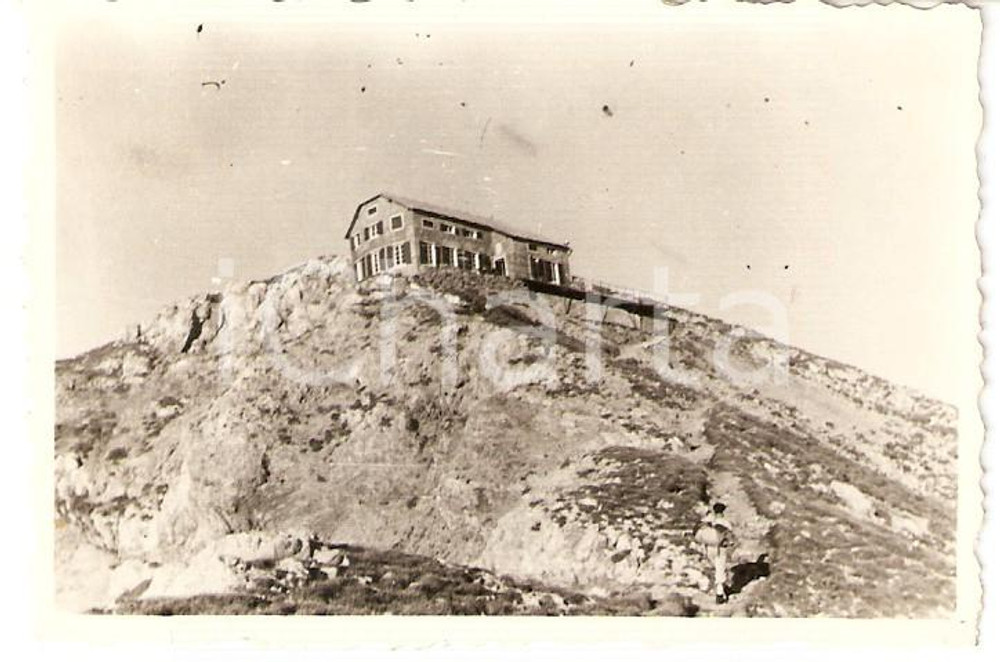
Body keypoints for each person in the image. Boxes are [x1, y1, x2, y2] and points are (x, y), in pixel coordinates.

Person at [693, 502, 735, 604]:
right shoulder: (725, 522)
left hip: (708, 548)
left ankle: (720, 588)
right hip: (719, 549)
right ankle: (719, 595)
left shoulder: (707, 520)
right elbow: (730, 538)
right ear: (723, 511)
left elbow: (696, 530)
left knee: (716, 569)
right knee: (720, 570)